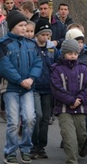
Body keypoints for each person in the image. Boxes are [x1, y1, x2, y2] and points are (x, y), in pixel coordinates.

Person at [0, 10, 43, 164]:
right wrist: (19, 80)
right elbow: (4, 66)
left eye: (25, 25)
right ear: (12, 26)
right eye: (21, 25)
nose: (24, 28)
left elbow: (38, 63)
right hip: (10, 88)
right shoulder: (3, 44)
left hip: (28, 87)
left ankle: (25, 149)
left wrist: (31, 78)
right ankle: (10, 151)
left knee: (29, 118)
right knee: (13, 121)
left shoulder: (31, 44)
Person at [51, 39, 87, 164]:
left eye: (75, 53)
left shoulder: (83, 68)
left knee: (82, 135)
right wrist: (70, 100)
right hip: (64, 109)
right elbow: (56, 88)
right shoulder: (56, 69)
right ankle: (72, 160)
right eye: (70, 53)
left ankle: (81, 148)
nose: (73, 56)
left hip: (80, 107)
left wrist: (79, 99)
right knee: (69, 138)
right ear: (63, 54)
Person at [64, 27, 87, 155]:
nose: (79, 44)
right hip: (68, 95)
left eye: (81, 41)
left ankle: (83, 142)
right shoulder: (63, 57)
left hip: (84, 95)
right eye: (76, 41)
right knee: (70, 123)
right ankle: (70, 143)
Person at [31, 18, 60, 159]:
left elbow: (58, 63)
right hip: (35, 86)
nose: (45, 37)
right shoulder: (31, 47)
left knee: (46, 118)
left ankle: (41, 146)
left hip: (48, 88)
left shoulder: (51, 49)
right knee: (38, 115)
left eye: (48, 34)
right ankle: (33, 144)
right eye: (43, 34)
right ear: (37, 34)